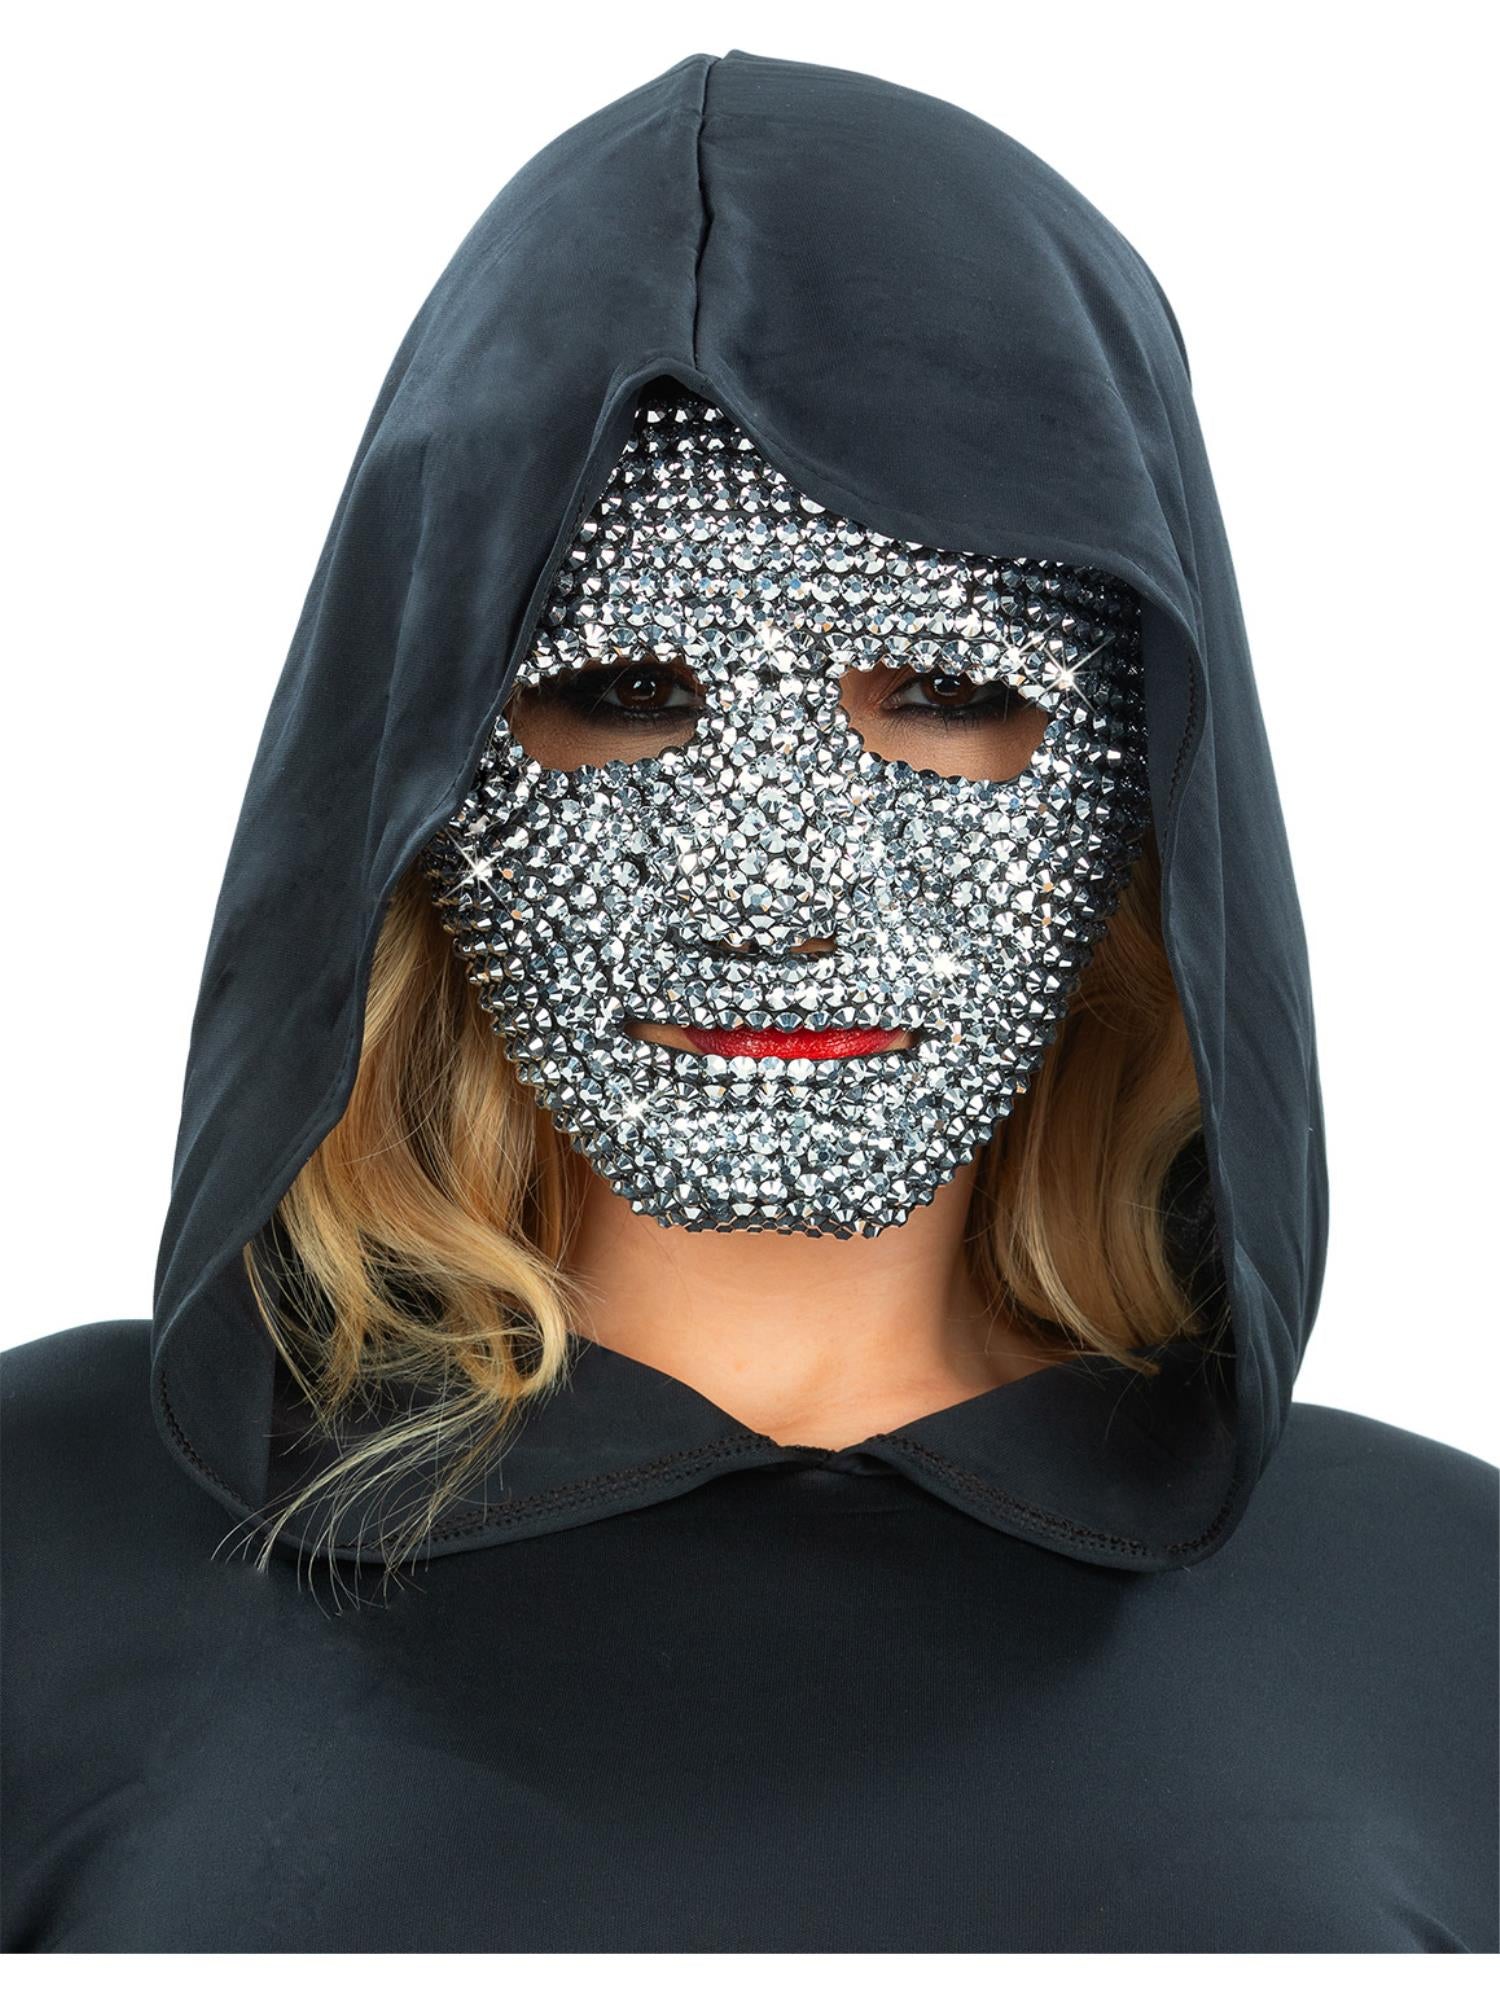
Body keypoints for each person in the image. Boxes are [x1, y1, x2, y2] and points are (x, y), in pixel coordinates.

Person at [1, 48, 1494, 1956]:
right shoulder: (38, 1546)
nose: (773, 891)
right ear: (417, 761)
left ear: (1144, 794)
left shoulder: (1453, 1614)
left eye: (944, 696)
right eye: (626, 694)